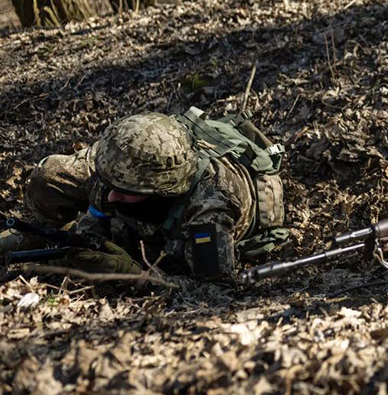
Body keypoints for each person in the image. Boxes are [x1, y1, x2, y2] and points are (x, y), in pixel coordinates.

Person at [0, 111, 288, 283]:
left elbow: (216, 291)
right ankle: (37, 235)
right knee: (49, 177)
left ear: (160, 193)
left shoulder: (209, 210)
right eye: (109, 183)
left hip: (178, 224)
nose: (111, 195)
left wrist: (137, 278)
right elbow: (108, 185)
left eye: (124, 192)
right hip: (143, 168)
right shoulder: (126, 168)